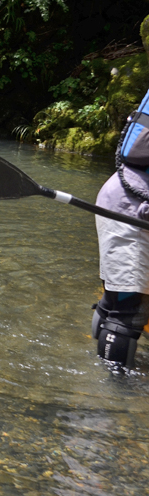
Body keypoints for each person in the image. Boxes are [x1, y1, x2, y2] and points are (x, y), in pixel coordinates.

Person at [92, 154, 149, 369]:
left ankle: (97, 361)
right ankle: (117, 391)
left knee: (115, 295)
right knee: (129, 308)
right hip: (134, 214)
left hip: (116, 198)